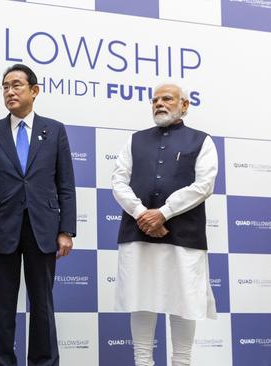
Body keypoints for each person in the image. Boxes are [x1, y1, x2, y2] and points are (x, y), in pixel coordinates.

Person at [0, 63, 77, 366]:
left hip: (43, 229)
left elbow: (66, 186)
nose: (9, 91)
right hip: (1, 228)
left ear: (34, 90)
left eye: (16, 85)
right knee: (2, 307)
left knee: (42, 305)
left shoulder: (54, 130)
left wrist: (66, 230)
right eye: (5, 86)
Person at [112, 83, 217, 366]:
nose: (159, 103)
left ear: (184, 105)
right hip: (138, 233)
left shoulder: (202, 141)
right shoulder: (134, 140)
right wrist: (142, 213)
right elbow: (118, 182)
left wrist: (164, 213)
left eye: (167, 99)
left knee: (183, 303)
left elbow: (204, 185)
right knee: (140, 299)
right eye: (155, 100)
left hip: (183, 237)